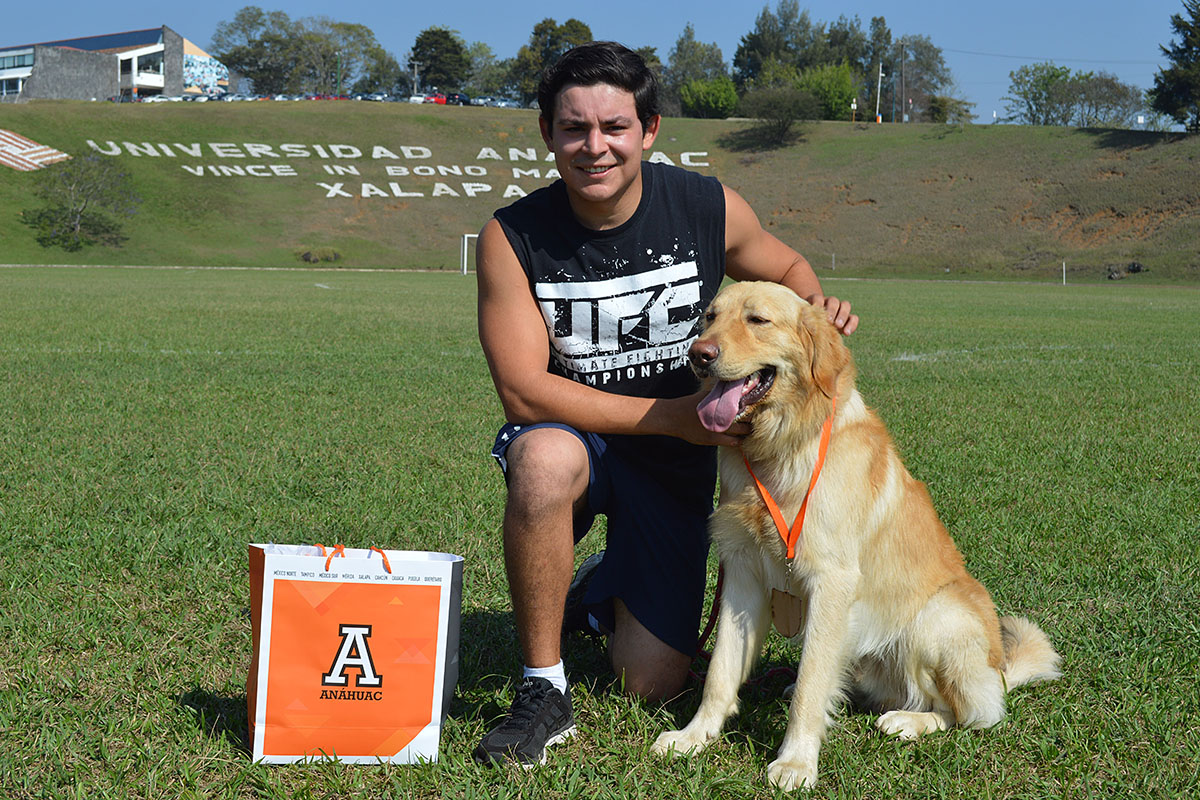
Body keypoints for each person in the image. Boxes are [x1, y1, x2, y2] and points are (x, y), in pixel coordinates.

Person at [473, 41, 858, 767]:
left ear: (648, 130)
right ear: (548, 134)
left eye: (614, 127)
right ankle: (542, 687)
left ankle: (599, 592)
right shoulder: (512, 235)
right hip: (582, 437)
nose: (595, 147)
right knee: (542, 459)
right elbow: (522, 388)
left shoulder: (704, 204)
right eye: (573, 128)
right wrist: (674, 418)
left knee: (650, 683)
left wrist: (815, 306)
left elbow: (785, 267)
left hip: (676, 461)